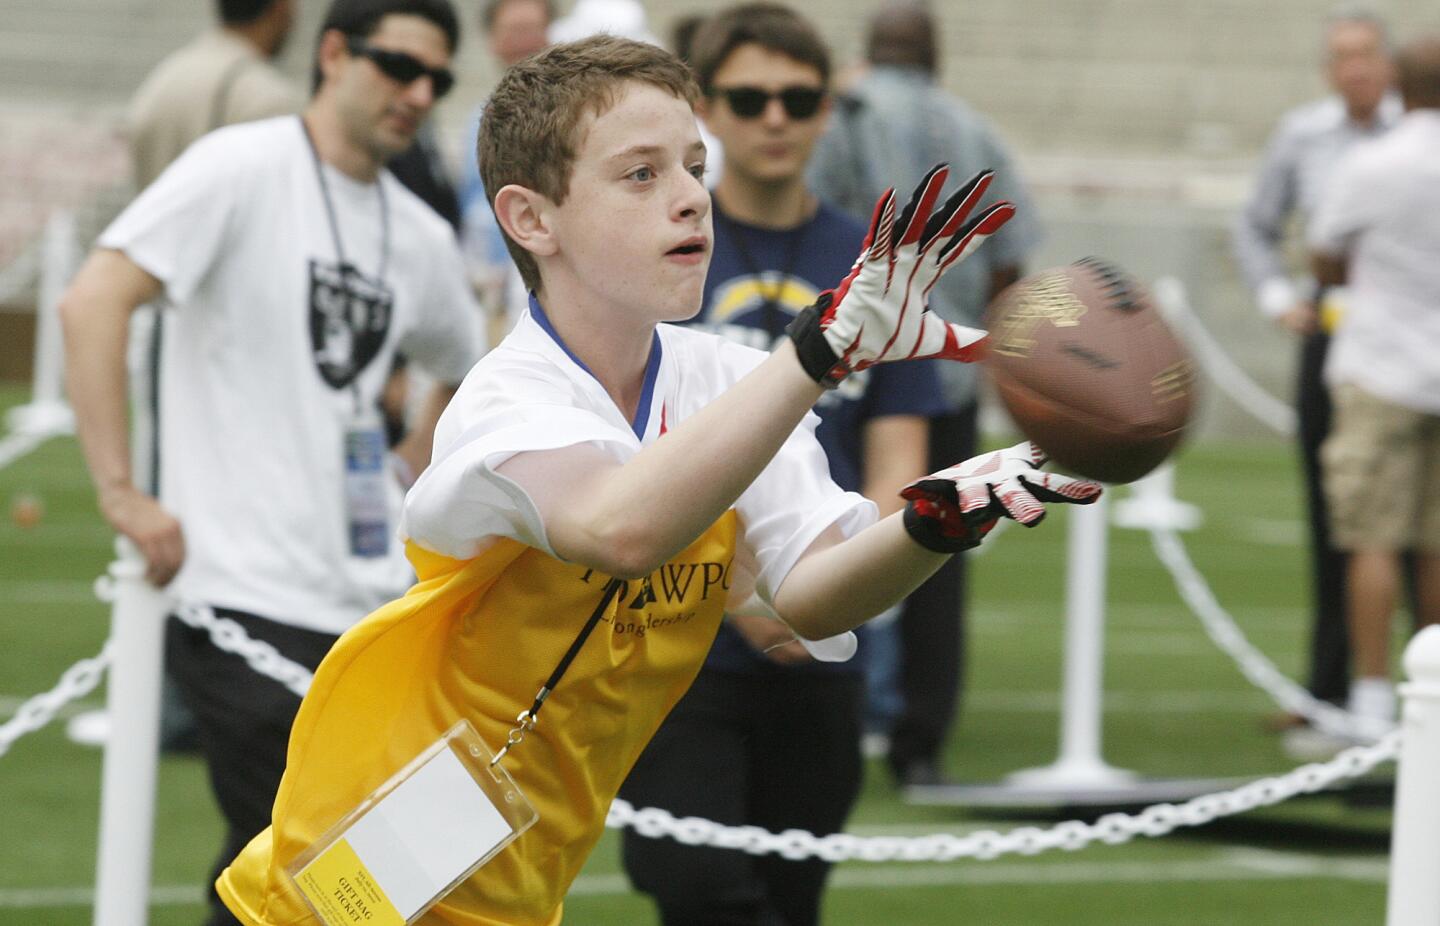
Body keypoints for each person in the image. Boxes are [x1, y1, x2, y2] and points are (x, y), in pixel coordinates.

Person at [214, 35, 1099, 926]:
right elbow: (621, 530)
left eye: (693, 165)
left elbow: (813, 600)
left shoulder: (728, 382)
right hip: (362, 861)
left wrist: (938, 519)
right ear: (530, 219)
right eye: (640, 175)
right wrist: (818, 352)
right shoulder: (508, 399)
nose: (689, 197)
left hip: (513, 872)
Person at [57, 0, 485, 922]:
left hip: (373, 604)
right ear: (332, 53)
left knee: (357, 879)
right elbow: (93, 300)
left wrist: (412, 468)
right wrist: (123, 493)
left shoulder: (414, 230)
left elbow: (472, 367)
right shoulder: (240, 165)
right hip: (239, 592)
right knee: (304, 859)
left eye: (437, 80)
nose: (417, 94)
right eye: (397, 66)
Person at [616, 7, 942, 924]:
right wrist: (749, 600)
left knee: (792, 901)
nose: (774, 118)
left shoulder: (870, 264)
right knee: (701, 893)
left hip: (826, 643)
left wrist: (846, 587)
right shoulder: (662, 242)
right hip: (675, 634)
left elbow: (898, 450)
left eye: (798, 98)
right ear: (706, 110)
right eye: (749, 97)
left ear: (827, 109)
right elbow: (626, 449)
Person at [808, 0, 1043, 787]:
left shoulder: (846, 115)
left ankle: (843, 703)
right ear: (935, 54)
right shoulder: (975, 129)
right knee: (943, 547)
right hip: (951, 366)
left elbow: (821, 226)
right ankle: (921, 739)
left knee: (836, 532)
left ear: (871, 53)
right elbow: (1013, 257)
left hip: (860, 367)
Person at [100, 0, 304, 756]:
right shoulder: (262, 98)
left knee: (167, 495)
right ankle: (199, 697)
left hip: (164, 316)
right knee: (231, 514)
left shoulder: (166, 78)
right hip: (233, 337)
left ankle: (166, 691)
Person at [1232, 8, 1400, 739]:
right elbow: (1257, 224)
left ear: (1388, 63)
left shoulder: (1417, 134)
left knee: (1419, 529)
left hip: (1412, 339)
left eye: (1365, 54)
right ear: (1328, 69)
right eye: (1340, 57)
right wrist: (1278, 296)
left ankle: (1419, 688)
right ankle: (1330, 690)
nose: (1354, 68)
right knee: (1335, 516)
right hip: (1333, 337)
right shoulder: (1304, 134)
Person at [1307, 34, 1440, 729]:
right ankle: (1434, 695)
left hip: (1382, 363)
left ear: (1400, 86)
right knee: (1436, 542)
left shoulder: (1375, 161)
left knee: (1374, 539)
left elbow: (1325, 257)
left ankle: (1369, 695)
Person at [457, 0, 556, 338]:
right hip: (485, 289)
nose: (524, 43)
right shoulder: (475, 121)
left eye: (532, 30)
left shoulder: (567, 119)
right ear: (493, 40)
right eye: (514, 31)